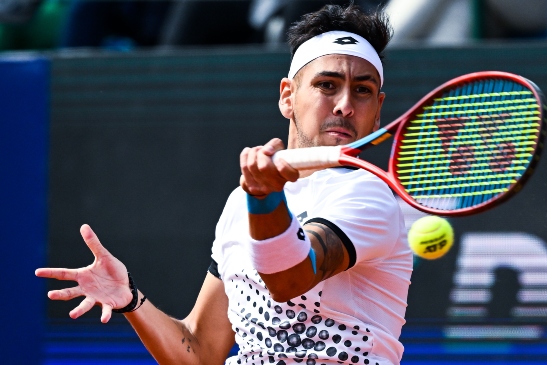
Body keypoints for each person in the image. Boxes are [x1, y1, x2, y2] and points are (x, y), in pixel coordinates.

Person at [36, 3, 412, 365]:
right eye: (327, 85)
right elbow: (200, 352)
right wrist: (131, 299)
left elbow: (289, 278)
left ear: (378, 110)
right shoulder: (240, 203)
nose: (345, 105)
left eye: (362, 91)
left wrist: (264, 199)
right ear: (288, 97)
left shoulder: (369, 195)